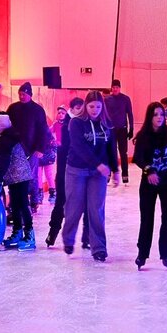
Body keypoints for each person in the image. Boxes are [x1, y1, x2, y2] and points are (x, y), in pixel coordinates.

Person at [62, 90, 119, 262]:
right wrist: (98, 164)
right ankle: (68, 239)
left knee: (96, 209)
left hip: (97, 174)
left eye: (98, 107)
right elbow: (79, 146)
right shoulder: (76, 123)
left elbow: (111, 148)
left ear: (102, 107)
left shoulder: (107, 124)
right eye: (92, 106)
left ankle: (99, 248)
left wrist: (115, 170)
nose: (95, 110)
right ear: (86, 106)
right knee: (74, 207)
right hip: (76, 170)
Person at [132, 102, 167, 271]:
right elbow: (138, 158)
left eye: (161, 114)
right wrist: (149, 171)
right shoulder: (143, 136)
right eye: (155, 114)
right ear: (150, 117)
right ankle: (142, 253)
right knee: (147, 219)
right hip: (149, 183)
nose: (159, 117)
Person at [45, 97, 91, 249]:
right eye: (78, 108)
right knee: (61, 202)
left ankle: (86, 238)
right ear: (72, 109)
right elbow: (64, 148)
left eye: (82, 109)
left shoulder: (85, 124)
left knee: (86, 203)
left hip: (82, 170)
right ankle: (53, 233)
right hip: (65, 171)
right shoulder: (66, 125)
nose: (81, 111)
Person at [0, 114, 36, 251]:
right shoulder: (12, 136)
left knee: (22, 204)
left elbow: (4, 161)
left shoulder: (6, 140)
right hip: (17, 176)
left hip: (19, 176)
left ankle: (29, 235)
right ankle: (17, 233)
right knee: (15, 205)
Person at [6, 82, 50, 213]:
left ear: (30, 95)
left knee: (32, 176)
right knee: (15, 176)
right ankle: (14, 202)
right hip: (15, 148)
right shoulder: (13, 108)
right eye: (20, 94)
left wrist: (40, 148)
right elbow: (7, 125)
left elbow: (43, 130)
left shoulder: (37, 110)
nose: (21, 96)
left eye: (24, 94)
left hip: (32, 149)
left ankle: (34, 201)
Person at [104, 79, 134, 184]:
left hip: (122, 129)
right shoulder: (107, 99)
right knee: (110, 152)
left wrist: (131, 128)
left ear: (120, 88)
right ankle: (108, 174)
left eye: (117, 87)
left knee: (123, 153)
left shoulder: (125, 99)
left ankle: (125, 174)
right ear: (111, 88)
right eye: (113, 87)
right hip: (110, 130)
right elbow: (104, 114)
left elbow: (130, 114)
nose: (115, 89)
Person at [38, 106, 64, 205]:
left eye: (62, 113)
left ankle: (52, 193)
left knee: (49, 174)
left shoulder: (47, 127)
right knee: (38, 175)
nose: (60, 115)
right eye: (59, 113)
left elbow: (51, 139)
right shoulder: (53, 125)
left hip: (49, 153)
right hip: (39, 154)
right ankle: (39, 193)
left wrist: (54, 146)